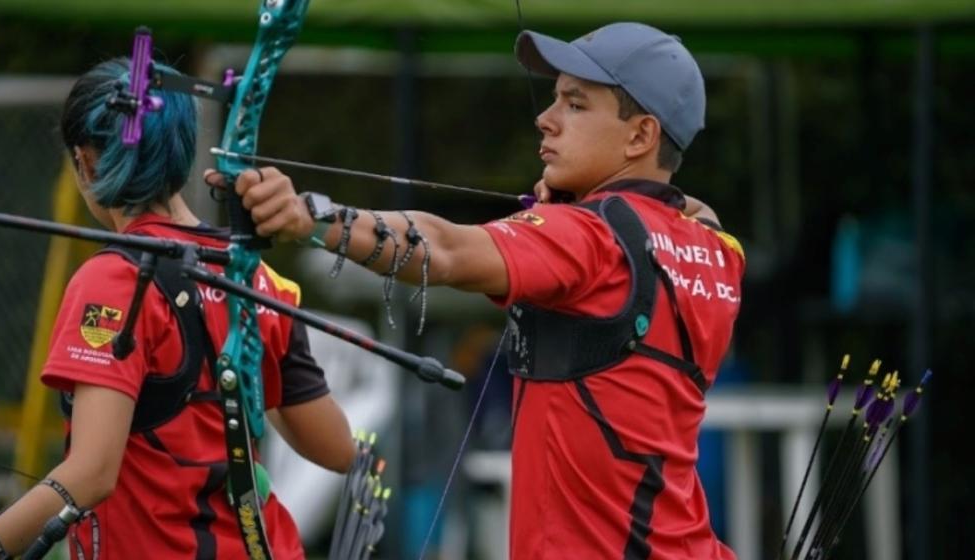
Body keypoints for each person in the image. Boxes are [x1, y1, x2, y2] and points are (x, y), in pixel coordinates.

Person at [218, 22, 745, 559]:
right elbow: (694, 212)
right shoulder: (719, 252)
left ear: (640, 135)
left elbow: (443, 250)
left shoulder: (590, 238)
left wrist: (310, 217)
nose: (546, 118)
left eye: (576, 104)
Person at [0, 58, 355, 560]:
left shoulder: (114, 280)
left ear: (84, 162)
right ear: (182, 153)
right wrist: (250, 358)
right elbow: (339, 449)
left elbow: (90, 474)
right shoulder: (257, 279)